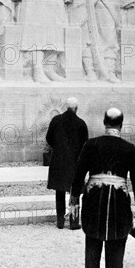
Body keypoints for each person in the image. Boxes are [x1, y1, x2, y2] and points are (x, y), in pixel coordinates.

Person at [69, 108, 135, 268]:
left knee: (92, 247)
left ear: (104, 123)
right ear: (121, 124)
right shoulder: (128, 148)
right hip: (119, 201)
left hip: (94, 199)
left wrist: (74, 200)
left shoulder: (91, 144)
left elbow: (78, 174)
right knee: (116, 248)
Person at [45, 97, 89, 229]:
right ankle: (74, 221)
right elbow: (84, 145)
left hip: (58, 160)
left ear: (66, 107)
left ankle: (59, 221)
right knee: (74, 192)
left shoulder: (56, 120)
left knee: (59, 191)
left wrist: (57, 150)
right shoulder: (81, 123)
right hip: (74, 162)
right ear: (76, 108)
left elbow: (49, 138)